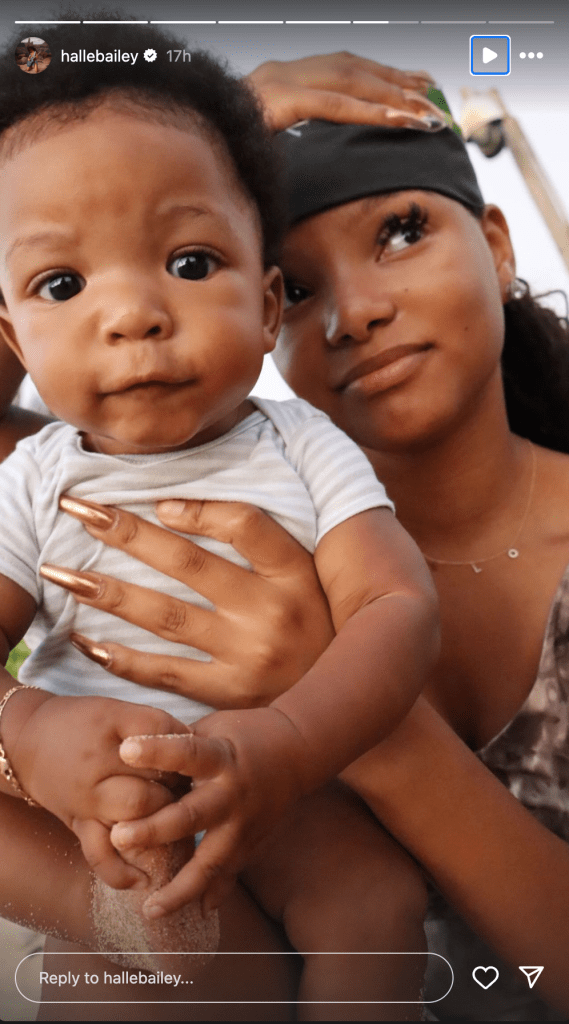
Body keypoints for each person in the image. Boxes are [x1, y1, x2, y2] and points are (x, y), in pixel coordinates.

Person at [23, 65, 569, 1024]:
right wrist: (180, 130)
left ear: (494, 243)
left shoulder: (323, 509)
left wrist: (338, 718)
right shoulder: (103, 479)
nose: (355, 313)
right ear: (273, 312)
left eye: (400, 232)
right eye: (306, 283)